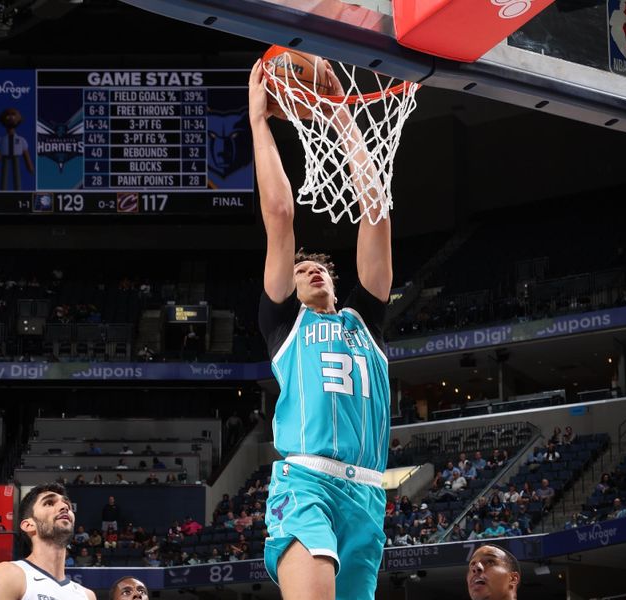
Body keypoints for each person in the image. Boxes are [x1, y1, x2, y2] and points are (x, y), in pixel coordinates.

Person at [251, 56, 392, 600]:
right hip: (305, 482)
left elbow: (376, 210)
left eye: (318, 267)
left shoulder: (366, 322)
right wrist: (259, 122)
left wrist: (340, 117)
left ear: (334, 280)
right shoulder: (283, 325)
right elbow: (281, 213)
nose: (307, 269)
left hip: (368, 496)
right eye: (298, 268)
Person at [0, 482, 96, 600]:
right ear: (29, 525)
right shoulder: (9, 574)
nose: (64, 507)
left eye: (67, 504)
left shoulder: (87, 595)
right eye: (49, 503)